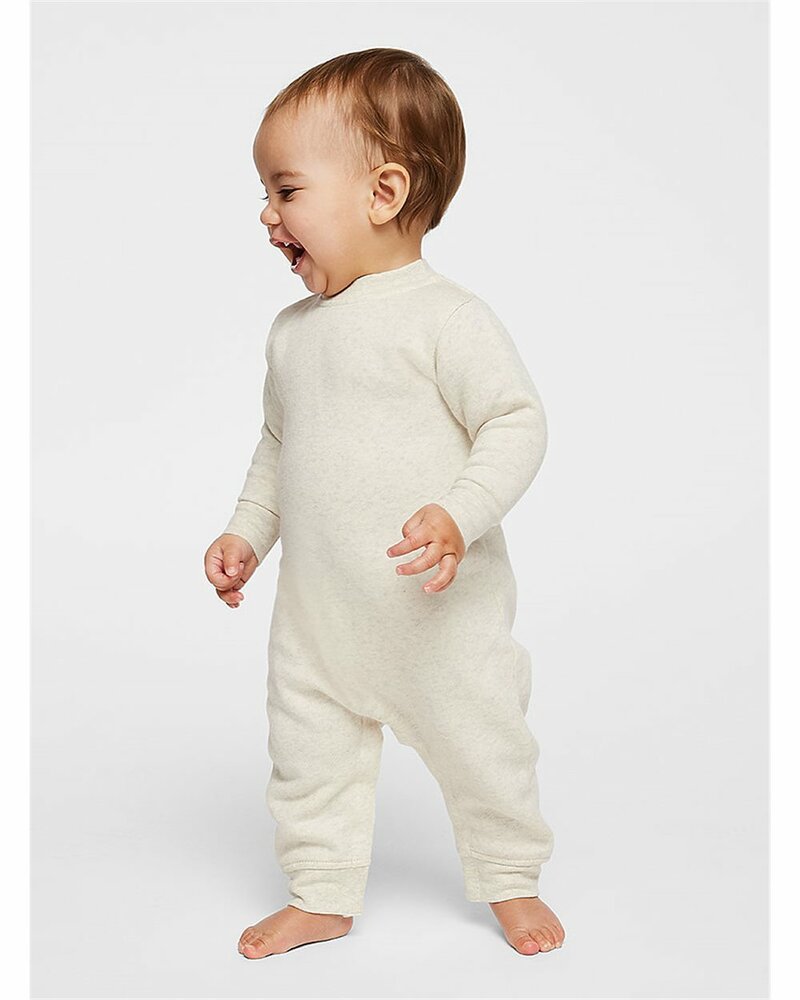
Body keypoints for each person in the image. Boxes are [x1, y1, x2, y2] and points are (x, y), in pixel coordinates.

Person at [203, 47, 566, 959]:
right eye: (265, 193)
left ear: (383, 192)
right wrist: (247, 532)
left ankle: (509, 874)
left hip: (437, 620)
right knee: (308, 762)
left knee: (485, 748)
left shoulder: (447, 319)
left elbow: (516, 422)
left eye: (286, 190)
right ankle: (322, 892)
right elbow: (279, 447)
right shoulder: (292, 335)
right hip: (319, 618)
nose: (267, 215)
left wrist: (460, 512)